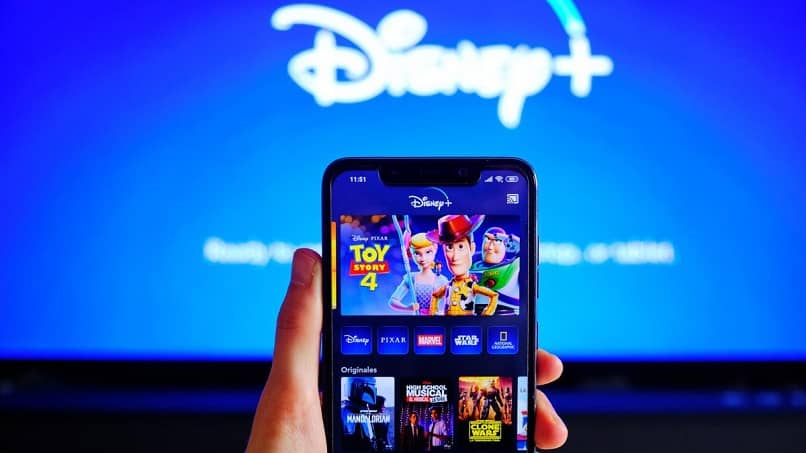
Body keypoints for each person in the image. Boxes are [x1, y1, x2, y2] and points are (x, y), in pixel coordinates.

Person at [246, 249, 568, 452]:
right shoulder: (416, 280)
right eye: (419, 253)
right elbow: (398, 302)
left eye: (428, 252)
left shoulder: (448, 281)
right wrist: (414, 308)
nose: (424, 257)